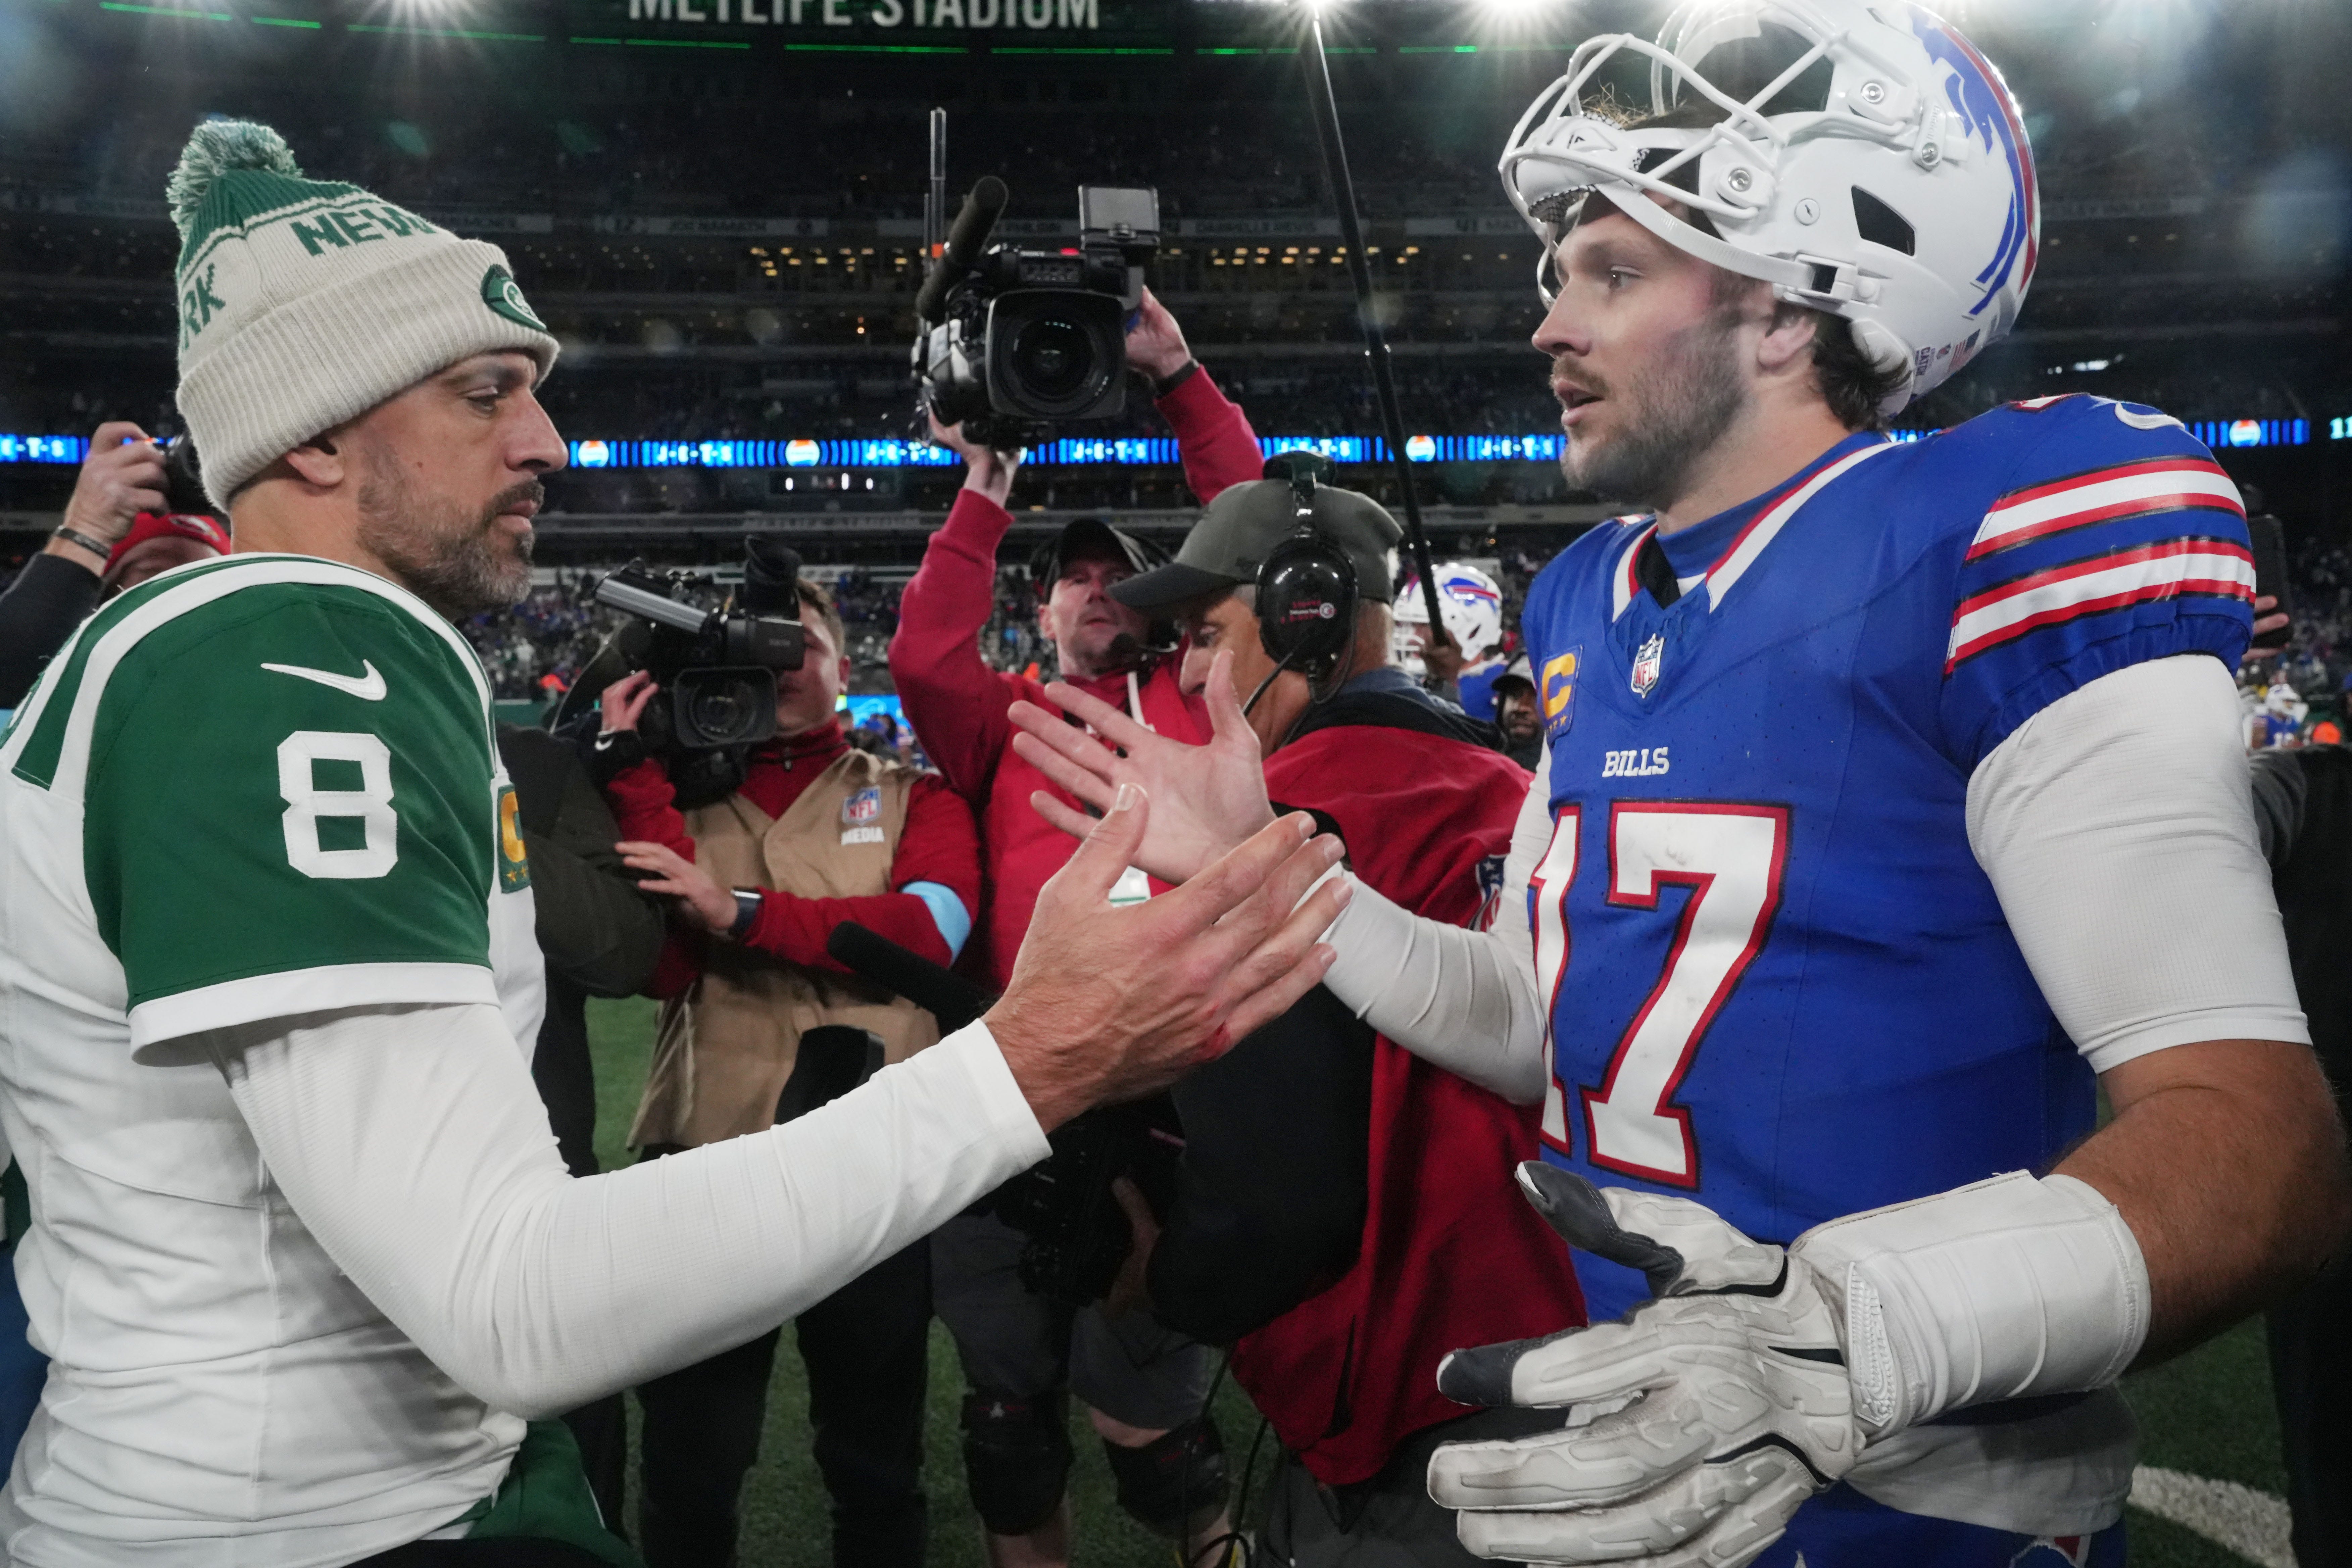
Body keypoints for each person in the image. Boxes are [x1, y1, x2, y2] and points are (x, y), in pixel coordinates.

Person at [1002, 3, 2349, 1561]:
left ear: (1788, 304)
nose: (1545, 327)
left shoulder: (1995, 530)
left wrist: (1850, 1332)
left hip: (1900, 1514)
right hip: (1637, 1469)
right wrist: (1287, 864)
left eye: (1612, 271)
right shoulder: (1587, 597)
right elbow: (1530, 1019)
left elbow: (2259, 1143)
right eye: (1556, 276)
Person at [0, 118, 1347, 1567]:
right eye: (484, 391)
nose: (549, 439)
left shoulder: (235, 652)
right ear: (316, 431)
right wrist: (1043, 1053)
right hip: (311, 1527)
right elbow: (504, 1292)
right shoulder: (295, 651)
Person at [1038, 466, 1586, 1565]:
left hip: (1406, 1411)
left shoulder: (1264, 828)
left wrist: (1165, 1282)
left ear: (1306, 612)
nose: (1186, 669)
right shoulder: (1515, 790)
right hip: (1583, 1348)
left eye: (1203, 631)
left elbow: (1276, 1204)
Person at [888, 292, 1264, 1568]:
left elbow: (1260, 540)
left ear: (1155, 602)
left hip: (1179, 1085)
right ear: (1039, 609)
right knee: (1008, 1428)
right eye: (1074, 581)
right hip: (1026, 1078)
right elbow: (925, 655)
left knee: (1160, 1434)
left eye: (1117, 578)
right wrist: (984, 488)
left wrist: (1179, 375)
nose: (1097, 594)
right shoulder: (1001, 714)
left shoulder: (1204, 695)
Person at [589, 576, 982, 1568]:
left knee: (875, 1462)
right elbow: (658, 970)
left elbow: (930, 934)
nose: (780, 662)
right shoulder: (672, 797)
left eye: (799, 641)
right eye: (758, 645)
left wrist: (742, 912)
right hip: (703, 1157)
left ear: (846, 669)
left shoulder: (913, 795)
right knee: (689, 1459)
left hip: (875, 1164)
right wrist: (635, 778)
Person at [0, 430, 227, 707]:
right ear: (100, 607)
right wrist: (88, 529)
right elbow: (11, 675)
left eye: (203, 580)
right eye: (155, 576)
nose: (180, 594)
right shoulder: (68, 709)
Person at [1394, 563, 1508, 719]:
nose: (1411, 636)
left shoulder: (1508, 686)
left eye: (1420, 625)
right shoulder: (1414, 683)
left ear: (1467, 627)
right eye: (1406, 625)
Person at [1489, 669, 1542, 771]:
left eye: (1537, 696)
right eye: (1514, 695)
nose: (1521, 708)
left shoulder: (1569, 773)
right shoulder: (1485, 767)